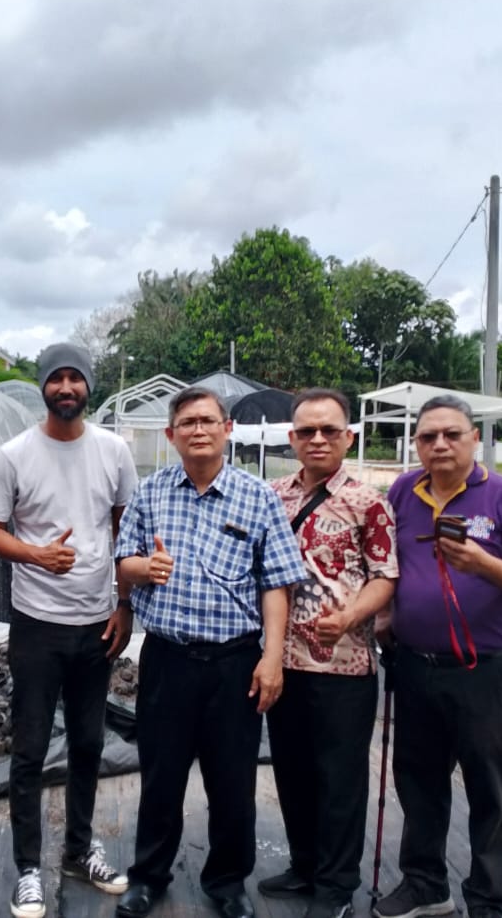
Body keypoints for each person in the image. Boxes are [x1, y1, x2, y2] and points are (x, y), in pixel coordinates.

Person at [113, 386, 308, 918]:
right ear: (171, 434)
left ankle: (226, 882)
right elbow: (124, 561)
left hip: (234, 664)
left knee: (232, 779)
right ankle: (148, 876)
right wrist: (143, 569)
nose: (198, 430)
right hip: (167, 660)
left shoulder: (257, 496)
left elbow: (276, 582)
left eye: (207, 421)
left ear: (227, 429)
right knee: (161, 775)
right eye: (187, 423)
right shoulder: (151, 493)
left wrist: (272, 656)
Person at [374, 394, 502, 918]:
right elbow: (390, 563)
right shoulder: (404, 491)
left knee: (487, 788)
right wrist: (384, 614)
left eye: (452, 434)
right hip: (414, 665)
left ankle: (487, 900)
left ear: (475, 438)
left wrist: (482, 564)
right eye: (428, 436)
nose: (440, 445)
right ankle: (425, 886)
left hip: (484, 671)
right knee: (418, 780)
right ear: (416, 444)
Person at [0, 342, 138, 918]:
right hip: (36, 624)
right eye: (56, 378)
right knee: (28, 748)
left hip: (96, 624)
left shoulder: (114, 451)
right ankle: (28, 868)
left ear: (88, 386)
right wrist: (36, 555)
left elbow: (126, 529)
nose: (66, 387)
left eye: (75, 378)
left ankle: (77, 849)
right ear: (43, 386)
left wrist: (125, 604)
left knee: (89, 743)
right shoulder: (14, 455)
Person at [260, 388, 398, 918]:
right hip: (283, 663)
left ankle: (336, 886)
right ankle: (304, 865)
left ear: (349, 437)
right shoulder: (272, 496)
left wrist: (350, 617)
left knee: (340, 779)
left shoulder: (369, 503)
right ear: (292, 438)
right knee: (292, 770)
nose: (317, 439)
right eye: (307, 431)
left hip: (345, 666)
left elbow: (385, 576)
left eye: (329, 430)